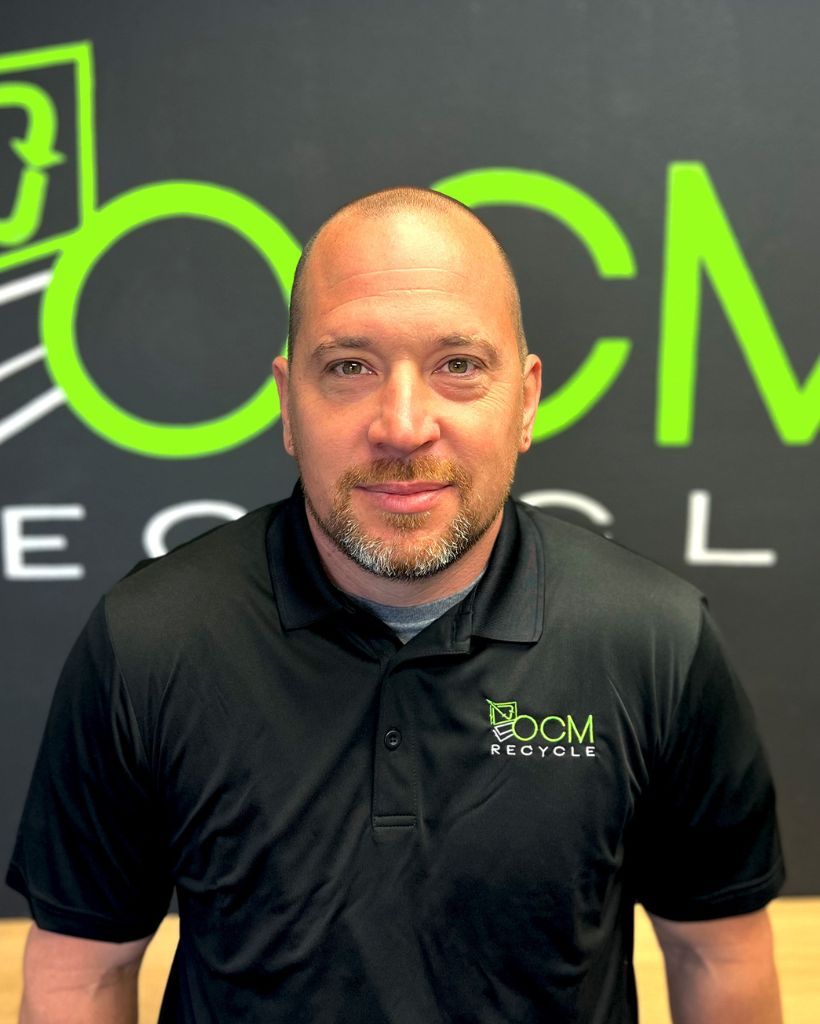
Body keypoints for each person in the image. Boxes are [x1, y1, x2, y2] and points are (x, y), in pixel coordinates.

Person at [7, 187, 785, 1023]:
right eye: (350, 367)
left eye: (458, 365)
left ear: (524, 401)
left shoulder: (656, 638)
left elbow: (717, 951)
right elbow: (83, 969)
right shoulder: (150, 639)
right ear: (287, 404)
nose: (403, 425)